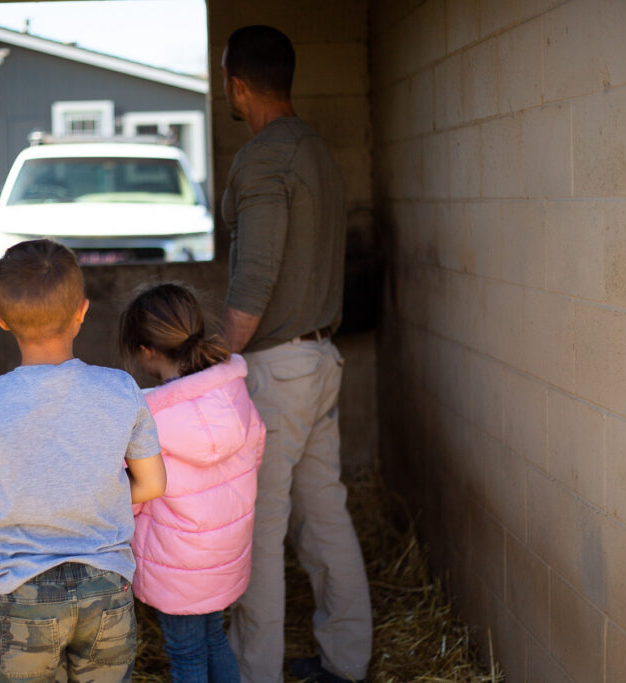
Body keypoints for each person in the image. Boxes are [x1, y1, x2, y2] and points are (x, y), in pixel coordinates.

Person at [219, 25, 373, 683]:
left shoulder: (264, 159)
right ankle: (347, 659)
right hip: (320, 361)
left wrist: (213, 361)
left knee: (258, 527)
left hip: (276, 368)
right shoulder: (317, 152)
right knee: (325, 515)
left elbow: (252, 282)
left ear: (238, 84)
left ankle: (255, 673)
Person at [0, 239, 166, 682]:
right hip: (106, 585)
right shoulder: (119, 389)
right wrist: (96, 500)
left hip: (23, 592)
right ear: (82, 312)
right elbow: (153, 483)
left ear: (0, 320)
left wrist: (20, 515)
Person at [119, 283, 265, 683]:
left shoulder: (148, 418)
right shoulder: (231, 392)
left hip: (176, 560)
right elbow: (256, 448)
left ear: (147, 352)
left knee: (185, 656)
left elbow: (133, 495)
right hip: (224, 550)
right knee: (214, 638)